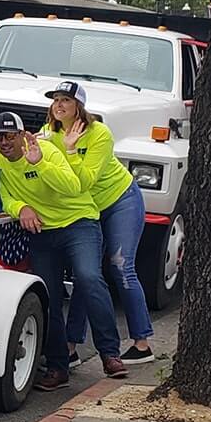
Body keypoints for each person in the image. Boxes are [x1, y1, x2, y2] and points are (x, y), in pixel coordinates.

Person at [0, 110, 122, 387]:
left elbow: (73, 186)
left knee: (89, 278)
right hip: (43, 232)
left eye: (10, 136)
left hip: (78, 222)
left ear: (23, 135)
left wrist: (40, 164)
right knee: (48, 296)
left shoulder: (45, 150)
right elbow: (2, 196)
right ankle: (58, 367)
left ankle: (110, 354)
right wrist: (21, 208)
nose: (4, 143)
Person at [48, 81, 155, 366]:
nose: (59, 105)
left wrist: (71, 150)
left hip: (120, 200)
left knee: (121, 265)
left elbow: (84, 182)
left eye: (66, 100)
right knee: (87, 274)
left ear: (79, 106)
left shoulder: (99, 133)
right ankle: (70, 347)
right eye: (55, 100)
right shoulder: (49, 134)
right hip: (89, 210)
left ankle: (142, 343)